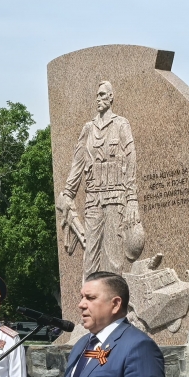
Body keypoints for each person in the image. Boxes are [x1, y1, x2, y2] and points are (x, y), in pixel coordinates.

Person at [57, 80, 143, 277]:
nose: (99, 98)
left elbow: (131, 162)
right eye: (97, 95)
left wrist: (132, 200)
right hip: (93, 199)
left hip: (115, 198)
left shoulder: (121, 124)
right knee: (90, 257)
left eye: (103, 94)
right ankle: (89, 304)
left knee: (113, 259)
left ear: (111, 97)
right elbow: (78, 163)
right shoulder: (88, 128)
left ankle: (115, 303)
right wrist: (68, 193)